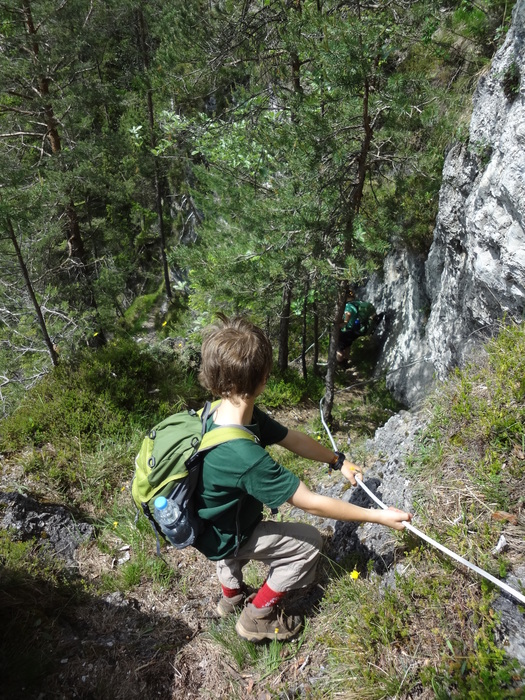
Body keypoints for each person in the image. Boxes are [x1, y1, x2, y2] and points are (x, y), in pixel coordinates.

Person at [193, 314, 411, 643]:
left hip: (208, 523)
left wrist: (337, 461)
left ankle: (231, 597)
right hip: (229, 533)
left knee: (225, 544)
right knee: (309, 543)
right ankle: (257, 616)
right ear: (263, 380)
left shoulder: (219, 412)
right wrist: (377, 516)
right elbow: (311, 504)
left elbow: (290, 437)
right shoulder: (244, 457)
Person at [337, 291, 378, 364]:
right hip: (359, 328)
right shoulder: (357, 302)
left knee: (339, 347)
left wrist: (344, 323)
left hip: (351, 329)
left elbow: (348, 314)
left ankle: (340, 362)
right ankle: (346, 361)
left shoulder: (348, 305)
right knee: (347, 345)